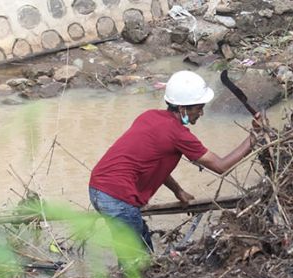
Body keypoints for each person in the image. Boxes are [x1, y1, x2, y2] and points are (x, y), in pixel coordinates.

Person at [89, 70, 261, 251]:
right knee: (136, 258)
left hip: (97, 187)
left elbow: (151, 163)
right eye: (198, 108)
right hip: (116, 197)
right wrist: (254, 136)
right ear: (182, 108)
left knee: (141, 242)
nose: (201, 113)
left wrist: (178, 191)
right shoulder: (179, 134)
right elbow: (221, 166)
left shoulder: (149, 116)